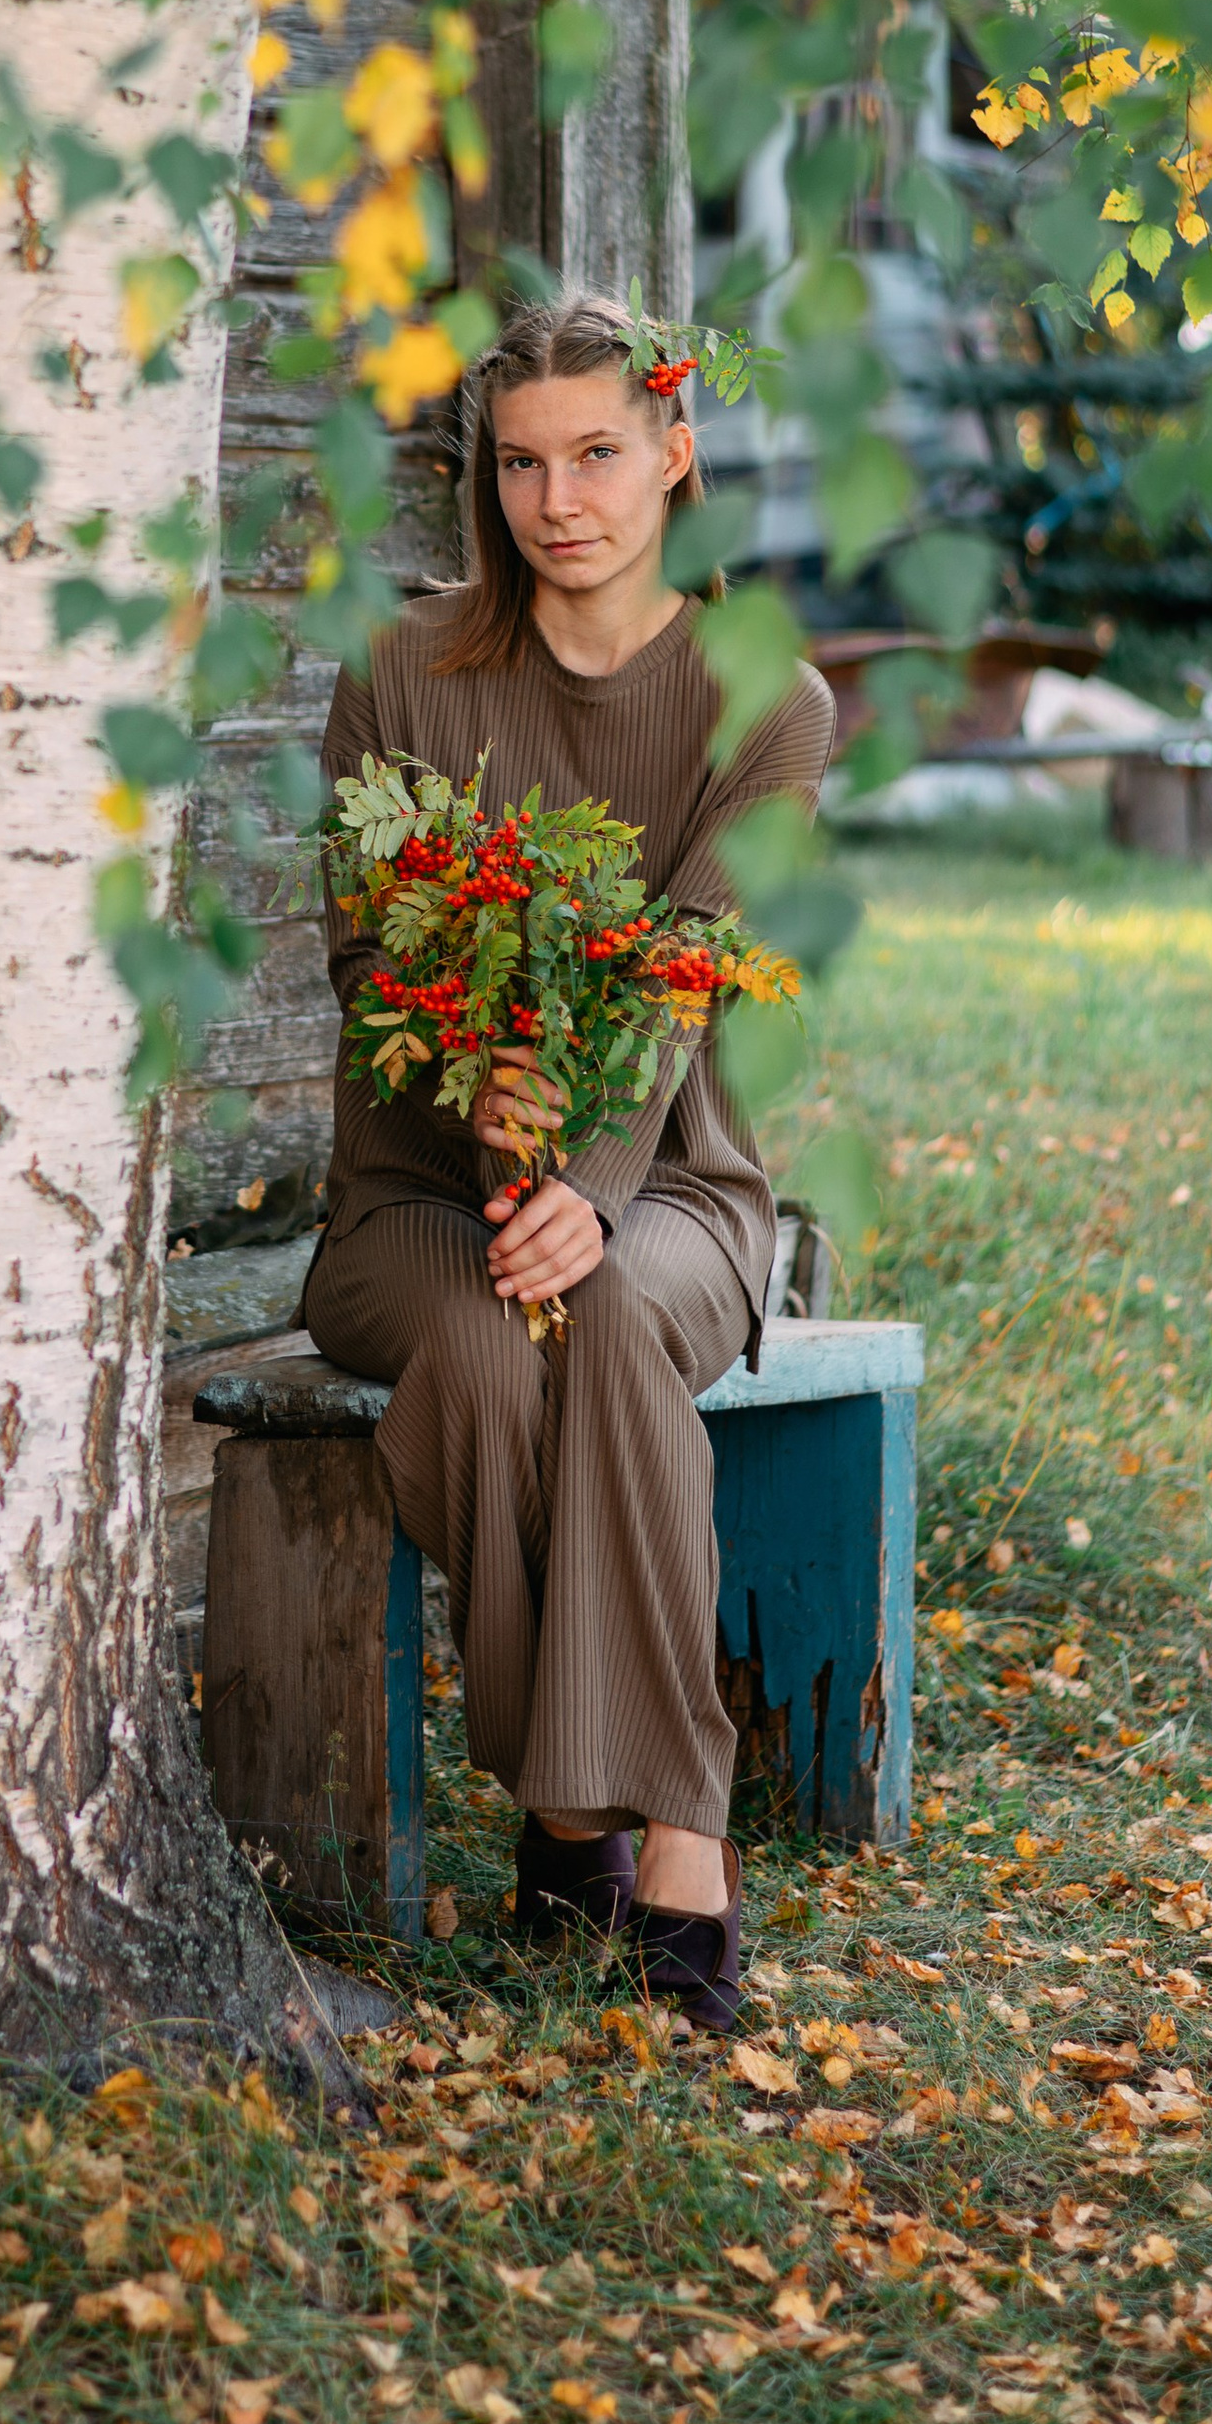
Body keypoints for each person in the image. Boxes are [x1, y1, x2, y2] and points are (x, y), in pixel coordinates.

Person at [303, 294, 835, 2028]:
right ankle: (585, 1815)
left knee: (599, 1320)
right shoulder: (400, 674)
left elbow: (691, 969)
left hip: (676, 1190)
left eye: (598, 453)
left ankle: (650, 1837)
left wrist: (590, 1185)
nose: (558, 499)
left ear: (674, 450)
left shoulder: (768, 700)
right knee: (475, 1341)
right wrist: (486, 1107)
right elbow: (367, 956)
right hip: (416, 1197)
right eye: (519, 463)